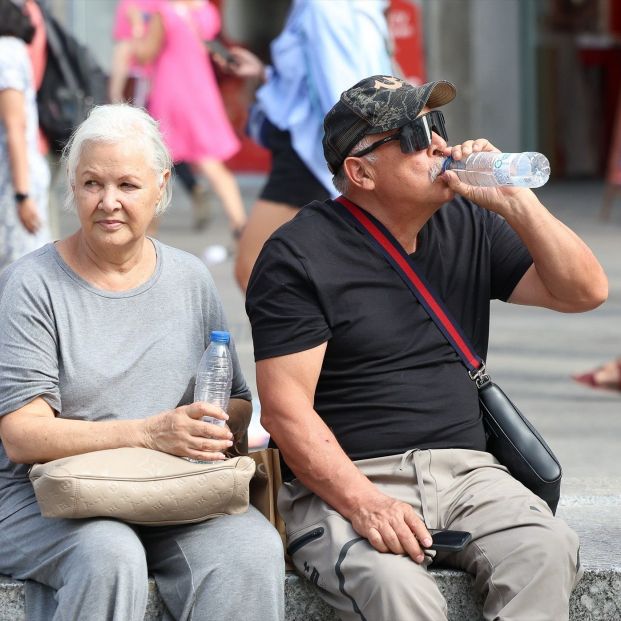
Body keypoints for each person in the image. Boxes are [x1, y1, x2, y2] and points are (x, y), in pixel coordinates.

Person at [245, 75, 609, 620]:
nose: (439, 144)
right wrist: (365, 502)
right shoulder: (299, 254)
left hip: (469, 473)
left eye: (436, 127)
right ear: (359, 171)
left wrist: (516, 203)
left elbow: (585, 292)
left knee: (546, 549)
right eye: (413, 136)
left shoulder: (469, 222)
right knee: (400, 591)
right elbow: (284, 409)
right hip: (349, 479)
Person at [0, 104, 284, 621]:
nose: (108, 203)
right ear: (71, 185)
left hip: (169, 489)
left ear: (161, 186)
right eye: (91, 184)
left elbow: (238, 402)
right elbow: (23, 435)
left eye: (127, 185)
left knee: (251, 549)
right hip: (47, 497)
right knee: (110, 555)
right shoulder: (31, 284)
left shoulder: (189, 278)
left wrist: (212, 426)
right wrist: (151, 433)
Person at [225, 0, 393, 291]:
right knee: (322, 274)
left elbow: (343, 94)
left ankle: (315, 335)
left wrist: (355, 161)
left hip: (312, 158)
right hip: (323, 154)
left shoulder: (323, 7)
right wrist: (265, 73)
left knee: (254, 268)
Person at [128, 0, 246, 238]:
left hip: (171, 93)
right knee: (209, 160)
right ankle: (240, 223)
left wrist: (137, 28)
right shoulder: (207, 12)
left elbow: (145, 53)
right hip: (201, 91)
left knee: (157, 162)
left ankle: (146, 233)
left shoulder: (165, 13)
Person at [110, 0, 213, 230]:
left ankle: (149, 222)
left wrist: (115, 93)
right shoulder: (174, 6)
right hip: (162, 87)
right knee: (164, 149)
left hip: (147, 89)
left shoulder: (144, 7)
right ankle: (192, 188)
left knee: (152, 153)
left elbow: (131, 49)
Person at [0, 0, 50, 272]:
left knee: (19, 272)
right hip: (21, 176)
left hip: (13, 182)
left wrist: (22, 195)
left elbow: (14, 127)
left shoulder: (5, 55)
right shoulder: (14, 49)